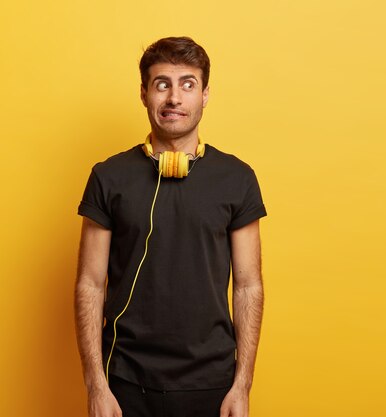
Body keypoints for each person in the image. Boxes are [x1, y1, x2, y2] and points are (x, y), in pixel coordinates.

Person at [74, 36, 267, 417]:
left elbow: (249, 285)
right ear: (144, 93)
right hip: (125, 382)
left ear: (205, 94)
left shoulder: (237, 178)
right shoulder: (108, 177)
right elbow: (89, 283)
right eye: (162, 84)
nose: (174, 97)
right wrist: (97, 386)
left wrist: (242, 385)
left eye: (187, 84)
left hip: (212, 382)